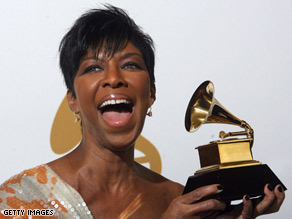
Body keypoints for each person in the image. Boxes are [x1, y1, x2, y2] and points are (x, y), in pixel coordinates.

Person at [0, 5, 285, 219]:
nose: (114, 78)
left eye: (130, 65)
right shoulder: (21, 199)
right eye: (94, 68)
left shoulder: (182, 200)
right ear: (72, 100)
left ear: (151, 95)